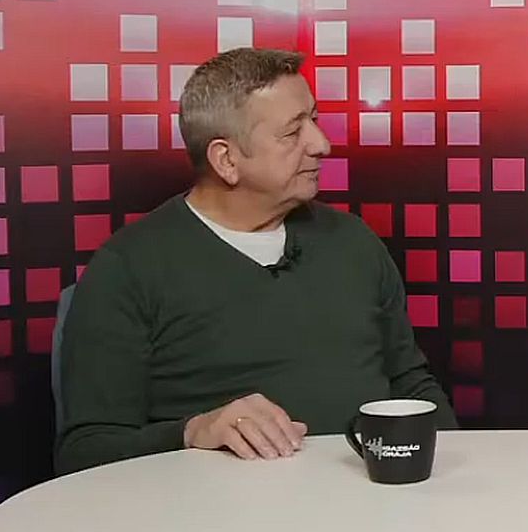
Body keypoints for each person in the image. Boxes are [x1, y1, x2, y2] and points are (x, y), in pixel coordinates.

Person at [56, 48, 456, 474]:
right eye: (292, 132)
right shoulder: (128, 268)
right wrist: (191, 433)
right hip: (214, 510)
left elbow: (411, 385)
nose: (322, 144)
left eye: (314, 120)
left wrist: (453, 478)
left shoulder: (354, 242)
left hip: (373, 502)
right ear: (226, 160)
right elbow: (85, 453)